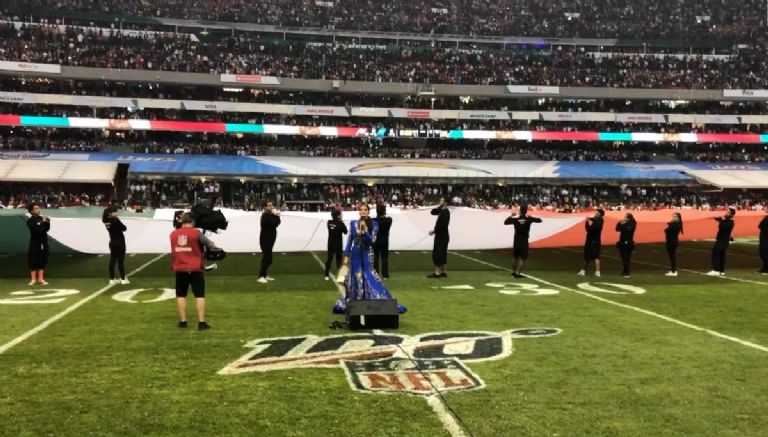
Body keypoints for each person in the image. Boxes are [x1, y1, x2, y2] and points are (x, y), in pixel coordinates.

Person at [332, 204, 406, 314]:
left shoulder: (375, 224)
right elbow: (349, 242)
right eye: (361, 209)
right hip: (355, 254)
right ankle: (356, 301)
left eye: (365, 209)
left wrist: (365, 232)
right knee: (356, 277)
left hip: (366, 254)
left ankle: (370, 301)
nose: (363, 211)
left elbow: (372, 241)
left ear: (368, 211)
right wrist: (346, 256)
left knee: (368, 276)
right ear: (358, 211)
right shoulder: (353, 223)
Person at [170, 212, 219, 330]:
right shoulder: (196, 233)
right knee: (199, 296)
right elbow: (211, 245)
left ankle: (183, 322)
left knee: (181, 295)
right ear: (192, 221)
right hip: (195, 268)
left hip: (180, 267)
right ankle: (201, 323)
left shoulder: (173, 234)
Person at [504, 204, 542, 278]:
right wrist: (531, 217)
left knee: (515, 257)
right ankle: (518, 273)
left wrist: (511, 215)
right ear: (526, 212)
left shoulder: (516, 220)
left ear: (520, 212)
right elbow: (539, 220)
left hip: (516, 240)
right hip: (524, 241)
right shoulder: (528, 220)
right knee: (522, 258)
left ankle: (513, 272)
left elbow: (506, 222)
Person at [103, 206, 129, 285]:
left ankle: (112, 279)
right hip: (120, 243)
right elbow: (124, 228)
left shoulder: (106, 221)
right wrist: (117, 220)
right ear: (111, 213)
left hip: (112, 242)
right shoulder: (115, 220)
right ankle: (123, 279)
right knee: (120, 261)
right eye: (115, 212)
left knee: (112, 260)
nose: (117, 213)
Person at [707, 207, 736, 276]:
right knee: (721, 255)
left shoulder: (730, 222)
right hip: (723, 241)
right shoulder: (727, 220)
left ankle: (715, 270)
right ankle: (721, 270)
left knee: (716, 253)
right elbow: (717, 219)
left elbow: (722, 227)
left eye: (728, 212)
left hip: (722, 240)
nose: (726, 212)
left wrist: (722, 220)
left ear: (731, 214)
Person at [26, 203, 50, 285]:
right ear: (32, 211)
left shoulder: (41, 218)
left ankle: (41, 279)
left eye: (39, 208)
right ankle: (33, 279)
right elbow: (38, 231)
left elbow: (46, 229)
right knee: (33, 260)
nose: (38, 210)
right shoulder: (30, 221)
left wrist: (47, 222)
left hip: (43, 242)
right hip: (35, 243)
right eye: (36, 208)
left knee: (42, 259)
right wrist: (42, 222)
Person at [258, 200, 281, 284]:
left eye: (272, 205)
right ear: (264, 207)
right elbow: (274, 223)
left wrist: (277, 215)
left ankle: (264, 275)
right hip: (265, 240)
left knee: (268, 259)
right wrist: (276, 215)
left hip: (270, 240)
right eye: (269, 206)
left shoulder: (270, 215)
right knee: (267, 258)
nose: (271, 207)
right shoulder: (265, 216)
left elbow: (278, 222)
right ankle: (260, 276)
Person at [578, 208, 605, 277]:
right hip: (597, 241)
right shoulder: (599, 221)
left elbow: (588, 229)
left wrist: (587, 221)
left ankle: (583, 271)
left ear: (600, 214)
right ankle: (597, 272)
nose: (595, 215)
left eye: (597, 213)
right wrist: (589, 219)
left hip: (591, 241)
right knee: (596, 256)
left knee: (587, 255)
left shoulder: (598, 221)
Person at [428, 197, 451, 278]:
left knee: (438, 254)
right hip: (442, 236)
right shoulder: (442, 210)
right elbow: (432, 212)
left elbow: (442, 226)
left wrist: (433, 231)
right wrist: (440, 206)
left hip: (442, 236)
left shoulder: (445, 212)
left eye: (442, 201)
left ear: (446, 203)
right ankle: (443, 272)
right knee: (442, 254)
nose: (440, 202)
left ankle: (437, 273)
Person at [324, 209, 347, 280]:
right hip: (338, 244)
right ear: (338, 216)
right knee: (338, 260)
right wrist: (342, 223)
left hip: (330, 243)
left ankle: (326, 274)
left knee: (329, 258)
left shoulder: (329, 222)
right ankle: (339, 276)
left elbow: (331, 227)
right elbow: (345, 232)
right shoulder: (341, 224)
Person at [373, 204, 392, 279]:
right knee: (384, 257)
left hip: (376, 240)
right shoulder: (388, 220)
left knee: (375, 257)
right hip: (384, 240)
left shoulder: (373, 220)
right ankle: (385, 275)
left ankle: (375, 273)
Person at [615, 213, 637, 278]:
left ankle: (627, 272)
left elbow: (617, 229)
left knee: (624, 257)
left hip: (624, 242)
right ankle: (625, 271)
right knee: (627, 257)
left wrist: (619, 223)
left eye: (625, 217)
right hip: (630, 242)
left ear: (628, 218)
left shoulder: (626, 224)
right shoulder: (633, 223)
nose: (624, 218)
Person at [664, 212, 683, 276]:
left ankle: (673, 271)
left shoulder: (675, 224)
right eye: (673, 216)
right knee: (672, 256)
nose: (673, 218)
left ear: (678, 218)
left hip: (672, 242)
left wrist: (669, 224)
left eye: (675, 217)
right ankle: (673, 270)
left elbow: (667, 230)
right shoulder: (676, 224)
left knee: (672, 257)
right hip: (672, 241)